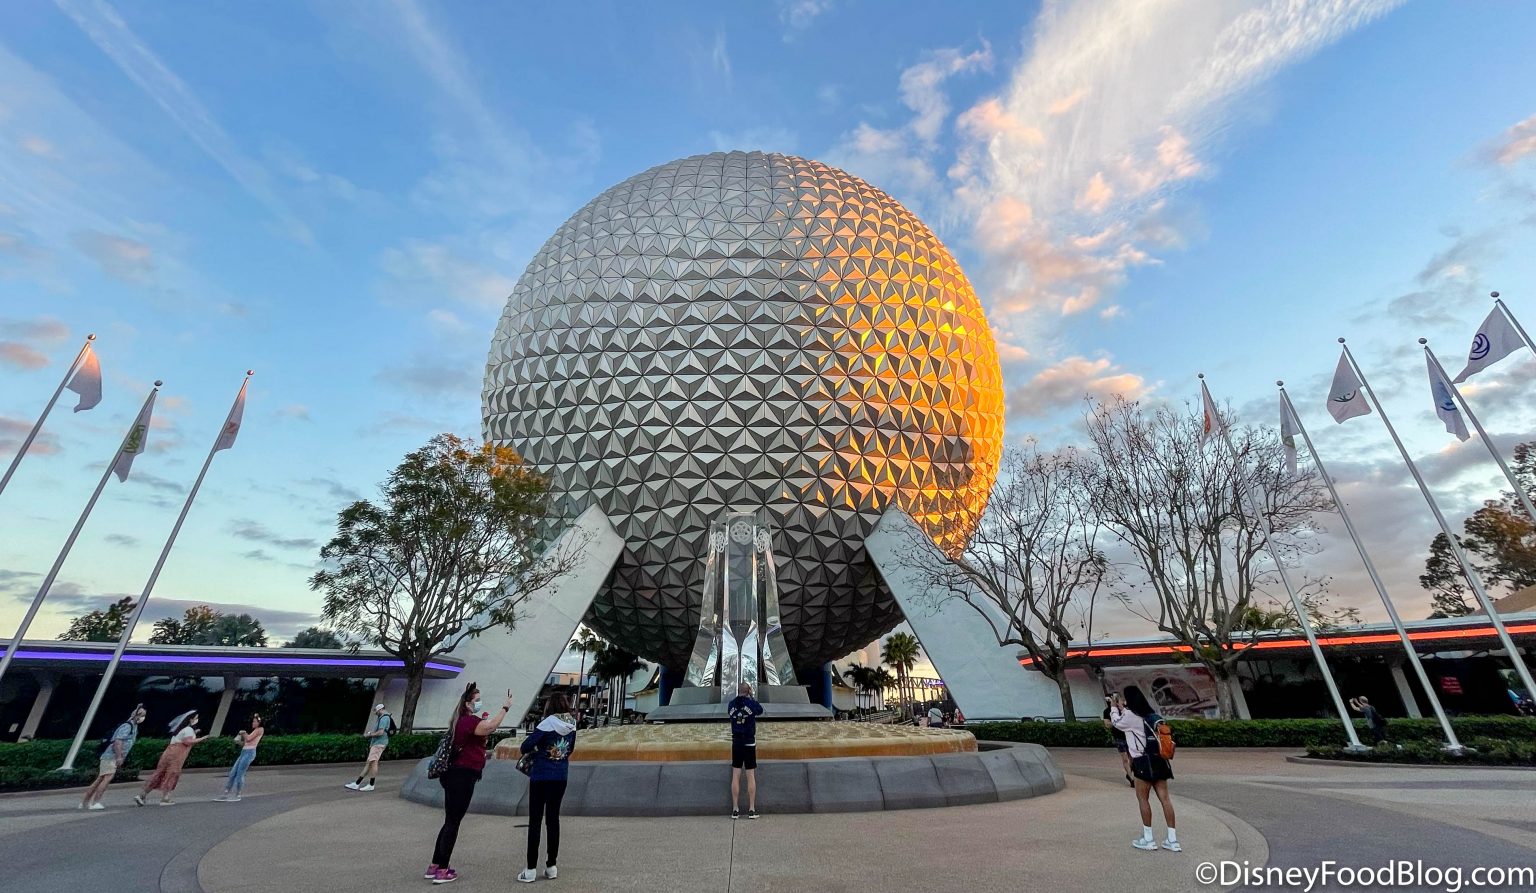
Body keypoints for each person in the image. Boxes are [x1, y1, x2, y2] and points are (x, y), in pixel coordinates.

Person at [425, 682, 514, 885]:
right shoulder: (467, 721)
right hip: (462, 775)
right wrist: (506, 707)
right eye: (477, 699)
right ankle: (443, 870)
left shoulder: (462, 721)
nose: (480, 702)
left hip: (456, 774)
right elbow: (490, 727)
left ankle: (435, 865)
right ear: (467, 703)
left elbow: (481, 733)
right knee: (453, 822)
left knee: (450, 820)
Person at [1109, 687, 1178, 853]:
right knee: (1165, 799)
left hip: (1142, 761)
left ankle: (1148, 839)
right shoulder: (1153, 715)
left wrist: (1113, 707)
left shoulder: (1130, 715)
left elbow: (1116, 723)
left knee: (1143, 799)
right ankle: (1173, 840)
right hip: (1160, 760)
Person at [518, 693, 577, 883]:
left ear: (549, 706)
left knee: (535, 821)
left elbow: (525, 746)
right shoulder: (571, 725)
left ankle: (531, 870)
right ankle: (551, 866)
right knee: (553, 820)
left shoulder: (547, 723)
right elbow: (571, 749)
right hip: (560, 777)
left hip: (541, 776)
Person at [135, 710, 211, 806]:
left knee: (159, 773)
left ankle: (142, 795)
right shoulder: (188, 730)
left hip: (169, 752)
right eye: (196, 718)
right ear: (190, 719)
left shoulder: (182, 729)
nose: (197, 720)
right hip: (177, 753)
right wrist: (202, 739)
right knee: (173, 773)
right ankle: (165, 798)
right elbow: (187, 741)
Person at [80, 704, 146, 810]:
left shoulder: (133, 726)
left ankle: (85, 803)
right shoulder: (127, 726)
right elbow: (118, 741)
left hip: (110, 755)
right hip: (111, 756)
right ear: (136, 716)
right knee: (107, 778)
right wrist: (119, 757)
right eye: (142, 715)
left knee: (100, 778)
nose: (143, 718)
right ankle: (95, 802)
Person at [727, 682, 764, 820]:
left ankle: (735, 809)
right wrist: (752, 697)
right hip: (749, 742)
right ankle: (751, 809)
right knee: (750, 776)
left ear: (738, 690)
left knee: (735, 774)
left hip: (736, 743)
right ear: (748, 691)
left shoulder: (731, 704)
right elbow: (760, 710)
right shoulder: (751, 703)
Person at [215, 713, 265, 802]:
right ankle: (226, 793)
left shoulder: (260, 729)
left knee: (240, 774)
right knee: (233, 773)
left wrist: (243, 732)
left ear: (259, 723)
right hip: (244, 752)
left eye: (254, 721)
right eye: (253, 721)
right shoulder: (254, 731)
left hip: (250, 753)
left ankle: (238, 794)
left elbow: (249, 738)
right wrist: (238, 740)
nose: (252, 723)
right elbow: (246, 743)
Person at [345, 703, 392, 791]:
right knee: (370, 763)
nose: (376, 713)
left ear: (380, 709)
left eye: (376, 711)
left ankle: (370, 784)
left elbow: (380, 732)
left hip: (379, 743)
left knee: (373, 763)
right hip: (377, 743)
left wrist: (369, 735)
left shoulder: (384, 718)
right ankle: (357, 783)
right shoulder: (384, 717)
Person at [1102, 701, 1134, 787]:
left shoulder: (1126, 709)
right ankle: (1131, 778)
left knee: (1132, 757)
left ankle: (1129, 772)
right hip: (1119, 737)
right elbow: (1107, 724)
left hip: (1129, 736)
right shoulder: (1107, 711)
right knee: (1125, 758)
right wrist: (1118, 722)